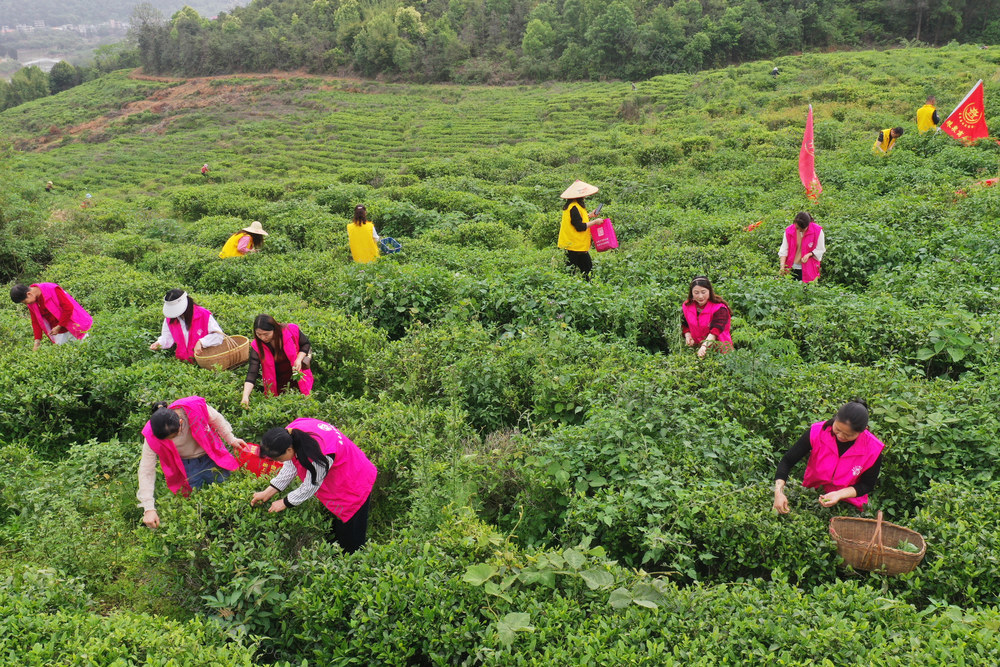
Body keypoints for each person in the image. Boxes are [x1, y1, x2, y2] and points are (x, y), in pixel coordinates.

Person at [251, 419, 377, 553]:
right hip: (338, 478)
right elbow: (290, 465)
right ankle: (335, 554)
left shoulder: (320, 452)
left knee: (351, 533)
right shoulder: (288, 434)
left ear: (289, 449)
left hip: (354, 480)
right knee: (334, 527)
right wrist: (268, 491)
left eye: (278, 459)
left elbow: (311, 484)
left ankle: (353, 562)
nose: (277, 462)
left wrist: (285, 502)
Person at [138, 397, 246, 529]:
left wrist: (231, 439)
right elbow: (146, 470)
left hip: (210, 456)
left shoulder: (193, 407)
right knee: (197, 505)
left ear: (181, 422)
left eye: (175, 435)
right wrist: (148, 508)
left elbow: (216, 419)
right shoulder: (151, 434)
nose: (173, 440)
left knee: (230, 491)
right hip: (186, 466)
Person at [772, 400, 883, 514]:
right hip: (812, 494)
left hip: (848, 502)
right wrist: (778, 492)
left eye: (848, 435)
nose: (840, 436)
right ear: (835, 419)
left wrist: (839, 494)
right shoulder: (817, 432)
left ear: (862, 431)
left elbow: (867, 485)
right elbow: (787, 461)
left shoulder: (873, 449)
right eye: (838, 429)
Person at [241, 314, 314, 408]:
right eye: (259, 334)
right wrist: (245, 396)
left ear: (274, 329)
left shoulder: (290, 330)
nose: (263, 338)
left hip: (297, 377)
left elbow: (305, 344)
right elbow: (252, 373)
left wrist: (299, 359)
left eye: (266, 334)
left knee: (304, 404)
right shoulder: (257, 346)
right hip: (277, 384)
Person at [10, 282, 92, 351]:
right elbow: (35, 321)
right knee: (66, 355)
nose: (26, 304)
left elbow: (68, 308)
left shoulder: (51, 289)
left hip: (73, 324)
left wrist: (59, 326)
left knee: (85, 349)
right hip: (58, 332)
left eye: (24, 302)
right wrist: (37, 342)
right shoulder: (32, 303)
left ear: (29, 294)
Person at [149, 289, 225, 361]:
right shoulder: (170, 319)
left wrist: (201, 342)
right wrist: (159, 343)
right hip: (182, 362)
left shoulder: (203, 314)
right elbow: (167, 337)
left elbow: (219, 336)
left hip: (204, 361)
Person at [557, 180, 603, 280]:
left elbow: (577, 220)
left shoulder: (573, 205)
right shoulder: (574, 207)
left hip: (575, 245)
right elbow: (580, 226)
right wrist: (595, 222)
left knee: (578, 272)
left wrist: (590, 215)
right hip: (575, 245)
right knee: (583, 272)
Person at [681, 276, 732, 357]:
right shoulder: (687, 306)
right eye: (696, 293)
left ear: (709, 291)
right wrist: (688, 335)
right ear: (691, 293)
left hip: (720, 351)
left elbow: (715, 331)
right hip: (698, 348)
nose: (700, 296)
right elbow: (685, 323)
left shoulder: (720, 308)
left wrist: (704, 346)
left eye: (703, 292)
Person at [778, 211, 825, 283]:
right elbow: (784, 250)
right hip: (792, 267)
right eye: (797, 228)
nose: (799, 230)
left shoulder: (817, 231)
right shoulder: (789, 231)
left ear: (808, 225)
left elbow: (820, 249)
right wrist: (782, 267)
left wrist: (810, 254)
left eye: (802, 229)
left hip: (809, 268)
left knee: (808, 290)